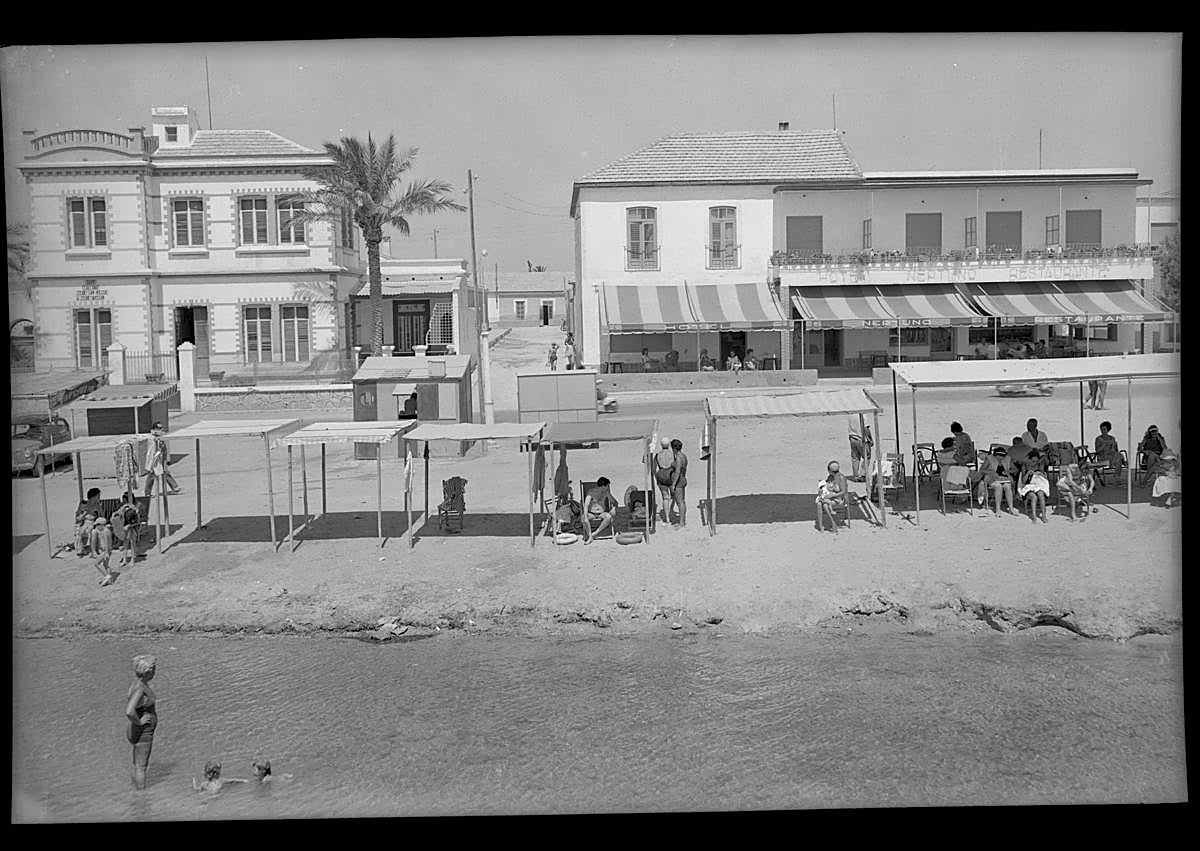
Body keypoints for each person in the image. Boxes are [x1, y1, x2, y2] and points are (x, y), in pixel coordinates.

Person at [126, 654, 158, 790]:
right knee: (141, 767)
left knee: (138, 764)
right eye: (154, 668)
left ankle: (136, 791)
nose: (155, 671)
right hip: (142, 731)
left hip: (136, 729)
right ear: (148, 671)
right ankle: (142, 796)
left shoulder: (137, 684)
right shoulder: (140, 688)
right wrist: (140, 722)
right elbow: (129, 711)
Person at [975, 446, 1017, 515]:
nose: (1001, 458)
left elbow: (1015, 469)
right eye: (999, 456)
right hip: (991, 478)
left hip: (1004, 478)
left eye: (1002, 456)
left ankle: (1011, 508)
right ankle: (998, 509)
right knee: (998, 486)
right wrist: (991, 472)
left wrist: (1008, 471)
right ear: (995, 455)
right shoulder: (989, 459)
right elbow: (981, 470)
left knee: (1007, 486)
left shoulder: (1007, 459)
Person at [143, 423, 180, 497]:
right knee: (151, 475)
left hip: (161, 458)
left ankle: (175, 487)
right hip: (154, 459)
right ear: (154, 429)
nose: (161, 430)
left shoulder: (161, 437)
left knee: (165, 472)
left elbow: (164, 448)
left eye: (161, 428)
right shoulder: (151, 438)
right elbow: (151, 451)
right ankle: (147, 493)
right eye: (159, 428)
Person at [1017, 449, 1051, 523]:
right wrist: (1027, 474)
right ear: (1029, 459)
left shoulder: (1040, 465)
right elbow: (1023, 481)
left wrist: (1041, 474)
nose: (1034, 463)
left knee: (1041, 494)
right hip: (1028, 486)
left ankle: (1044, 516)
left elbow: (1045, 479)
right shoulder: (1025, 466)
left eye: (1036, 461)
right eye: (1033, 461)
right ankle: (1034, 517)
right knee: (1033, 497)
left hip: (1038, 485)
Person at [815, 461, 848, 532]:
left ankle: (833, 523)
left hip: (839, 498)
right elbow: (826, 485)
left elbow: (843, 492)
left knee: (824, 504)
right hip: (831, 497)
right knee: (819, 504)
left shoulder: (841, 478)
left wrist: (832, 495)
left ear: (829, 470)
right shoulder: (830, 477)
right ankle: (822, 526)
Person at [582, 477, 618, 543]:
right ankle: (590, 535)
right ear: (603, 486)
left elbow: (615, 502)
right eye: (607, 486)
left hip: (602, 513)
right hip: (591, 513)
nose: (608, 487)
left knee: (608, 517)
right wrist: (586, 517)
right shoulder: (591, 492)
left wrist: (614, 508)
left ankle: (595, 533)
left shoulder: (606, 493)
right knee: (583, 518)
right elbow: (586, 505)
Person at [112, 490, 142, 567]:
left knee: (132, 544)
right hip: (125, 528)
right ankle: (125, 559)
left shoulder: (135, 507)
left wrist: (130, 525)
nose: (123, 501)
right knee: (125, 544)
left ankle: (132, 559)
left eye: (124, 499)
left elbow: (137, 520)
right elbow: (118, 513)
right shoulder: (124, 507)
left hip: (132, 528)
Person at [654, 437, 678, 524]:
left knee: (665, 497)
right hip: (670, 474)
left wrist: (657, 476)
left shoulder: (657, 455)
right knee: (673, 495)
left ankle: (667, 518)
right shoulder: (673, 454)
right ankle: (671, 511)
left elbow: (653, 469)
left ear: (661, 445)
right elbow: (676, 466)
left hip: (661, 474)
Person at [89, 516, 119, 586]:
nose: (96, 527)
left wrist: (106, 553)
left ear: (101, 524)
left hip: (105, 551)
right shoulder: (106, 530)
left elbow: (106, 543)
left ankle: (107, 576)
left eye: (97, 525)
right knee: (106, 565)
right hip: (107, 550)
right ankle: (110, 581)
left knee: (96, 564)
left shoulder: (105, 531)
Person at [74, 487, 103, 556]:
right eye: (98, 496)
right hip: (84, 523)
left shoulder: (97, 505)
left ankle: (93, 550)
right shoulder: (84, 504)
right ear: (93, 497)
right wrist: (85, 512)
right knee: (79, 531)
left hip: (93, 523)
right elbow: (78, 518)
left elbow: (101, 516)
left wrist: (99, 510)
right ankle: (80, 549)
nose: (99, 497)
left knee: (93, 531)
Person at [847, 416, 873, 482]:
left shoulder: (851, 414)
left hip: (852, 437)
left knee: (855, 457)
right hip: (861, 438)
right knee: (867, 457)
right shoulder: (863, 415)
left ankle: (856, 476)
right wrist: (870, 439)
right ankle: (863, 475)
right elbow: (866, 429)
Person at [670, 438, 688, 528]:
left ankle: (682, 523)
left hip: (679, 481)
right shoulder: (684, 456)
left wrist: (673, 484)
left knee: (680, 502)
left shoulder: (678, 458)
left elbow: (677, 472)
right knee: (682, 501)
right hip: (683, 478)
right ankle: (683, 521)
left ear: (673, 448)